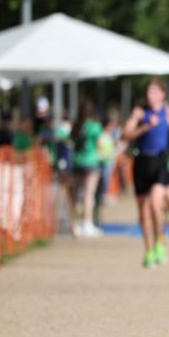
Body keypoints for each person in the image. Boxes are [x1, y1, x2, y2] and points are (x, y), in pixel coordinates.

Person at [122, 78, 169, 268]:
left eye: (154, 92)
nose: (150, 96)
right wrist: (145, 126)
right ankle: (149, 250)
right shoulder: (139, 112)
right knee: (143, 212)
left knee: (155, 204)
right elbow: (125, 134)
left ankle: (160, 239)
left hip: (160, 160)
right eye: (148, 92)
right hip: (141, 161)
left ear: (162, 94)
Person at [71, 100, 103, 236]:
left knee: (75, 194)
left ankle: (73, 223)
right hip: (91, 162)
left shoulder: (76, 126)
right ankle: (87, 222)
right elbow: (99, 144)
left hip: (77, 162)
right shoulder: (95, 127)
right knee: (89, 194)